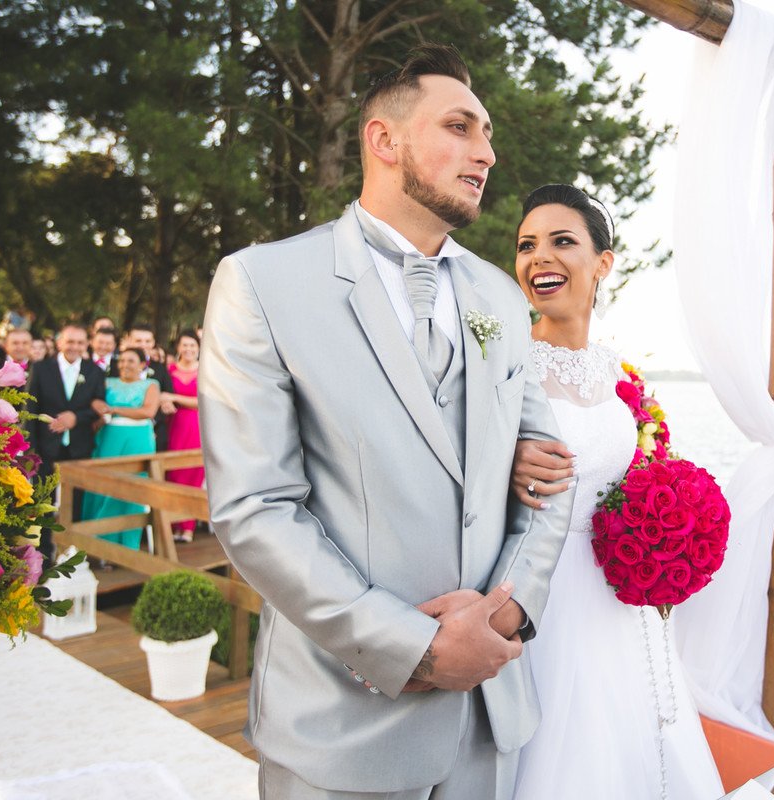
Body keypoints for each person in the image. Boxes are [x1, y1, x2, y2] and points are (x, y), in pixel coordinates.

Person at [199, 44, 573, 800]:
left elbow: (551, 473)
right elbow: (255, 508)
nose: (487, 153)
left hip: (488, 719)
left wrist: (503, 615)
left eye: (488, 134)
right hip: (344, 723)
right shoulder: (262, 283)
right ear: (384, 140)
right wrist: (419, 647)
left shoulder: (502, 297)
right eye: (461, 127)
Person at [508, 185, 724, 800]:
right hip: (537, 594)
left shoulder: (618, 373)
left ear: (603, 263)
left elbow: (636, 474)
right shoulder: (507, 364)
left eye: (561, 241)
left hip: (617, 593)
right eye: (527, 245)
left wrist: (666, 535)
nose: (538, 258)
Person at [25, 324, 107, 562]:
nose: (75, 347)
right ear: (60, 342)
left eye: (80, 343)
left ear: (86, 345)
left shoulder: (94, 371)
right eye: (70, 342)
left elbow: (98, 406)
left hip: (79, 446)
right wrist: (31, 451)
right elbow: (29, 408)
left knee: (76, 501)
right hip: (46, 447)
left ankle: (73, 554)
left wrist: (76, 417)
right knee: (43, 501)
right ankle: (42, 555)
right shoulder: (41, 368)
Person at [81, 347, 159, 552]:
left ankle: (126, 545)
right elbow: (94, 403)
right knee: (104, 485)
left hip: (138, 439)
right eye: (122, 360)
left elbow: (148, 411)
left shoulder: (151, 385)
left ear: (143, 364)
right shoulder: (108, 383)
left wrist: (114, 409)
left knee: (132, 488)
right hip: (109, 437)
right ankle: (98, 544)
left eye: (131, 361)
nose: (125, 365)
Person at [162, 329, 203, 542]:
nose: (188, 349)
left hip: (196, 425)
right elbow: (161, 394)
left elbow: (203, 401)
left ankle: (188, 527)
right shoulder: (169, 370)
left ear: (198, 348)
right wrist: (166, 400)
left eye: (192, 346)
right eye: (184, 345)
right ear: (178, 347)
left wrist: (174, 397)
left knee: (193, 474)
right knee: (174, 474)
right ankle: (172, 524)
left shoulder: (206, 370)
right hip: (174, 425)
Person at [126, 324, 174, 450]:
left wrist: (166, 404)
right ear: (129, 341)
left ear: (153, 342)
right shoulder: (117, 366)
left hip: (155, 430)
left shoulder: (159, 368)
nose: (143, 345)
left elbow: (167, 394)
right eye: (138, 341)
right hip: (124, 428)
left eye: (147, 341)